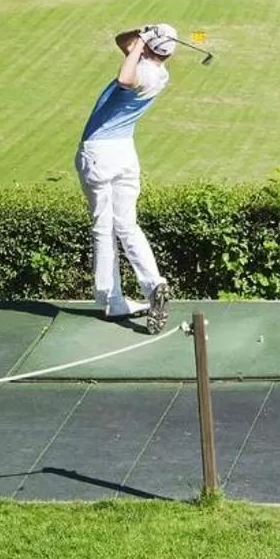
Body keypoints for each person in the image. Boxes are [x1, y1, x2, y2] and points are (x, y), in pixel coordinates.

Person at [74, 23, 178, 332]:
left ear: (148, 49)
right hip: (124, 154)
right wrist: (142, 32)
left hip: (99, 154)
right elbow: (122, 42)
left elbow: (124, 77)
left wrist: (143, 39)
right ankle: (153, 284)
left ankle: (112, 299)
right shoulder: (160, 74)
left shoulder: (141, 74)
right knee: (127, 227)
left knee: (103, 228)